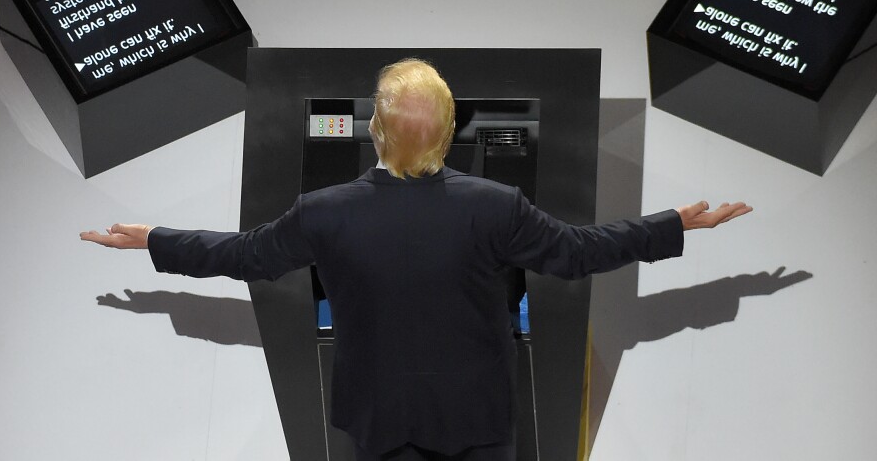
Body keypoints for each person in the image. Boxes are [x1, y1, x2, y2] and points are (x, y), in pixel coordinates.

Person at [81, 59, 752, 461]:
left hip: (379, 417)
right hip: (478, 419)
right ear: (451, 125)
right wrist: (673, 224)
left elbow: (245, 256)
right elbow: (578, 254)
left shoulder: (325, 211)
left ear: (376, 128)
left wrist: (154, 239)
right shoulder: (496, 205)